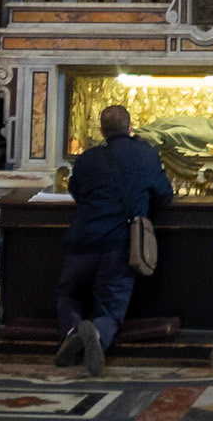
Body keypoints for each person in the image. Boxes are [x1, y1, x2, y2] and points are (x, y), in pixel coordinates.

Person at [54, 103, 172, 378]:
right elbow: (165, 195)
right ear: (130, 128)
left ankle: (72, 332)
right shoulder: (146, 155)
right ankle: (94, 333)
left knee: (69, 293)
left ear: (101, 131)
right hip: (120, 245)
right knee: (110, 307)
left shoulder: (86, 158)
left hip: (81, 242)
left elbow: (76, 191)